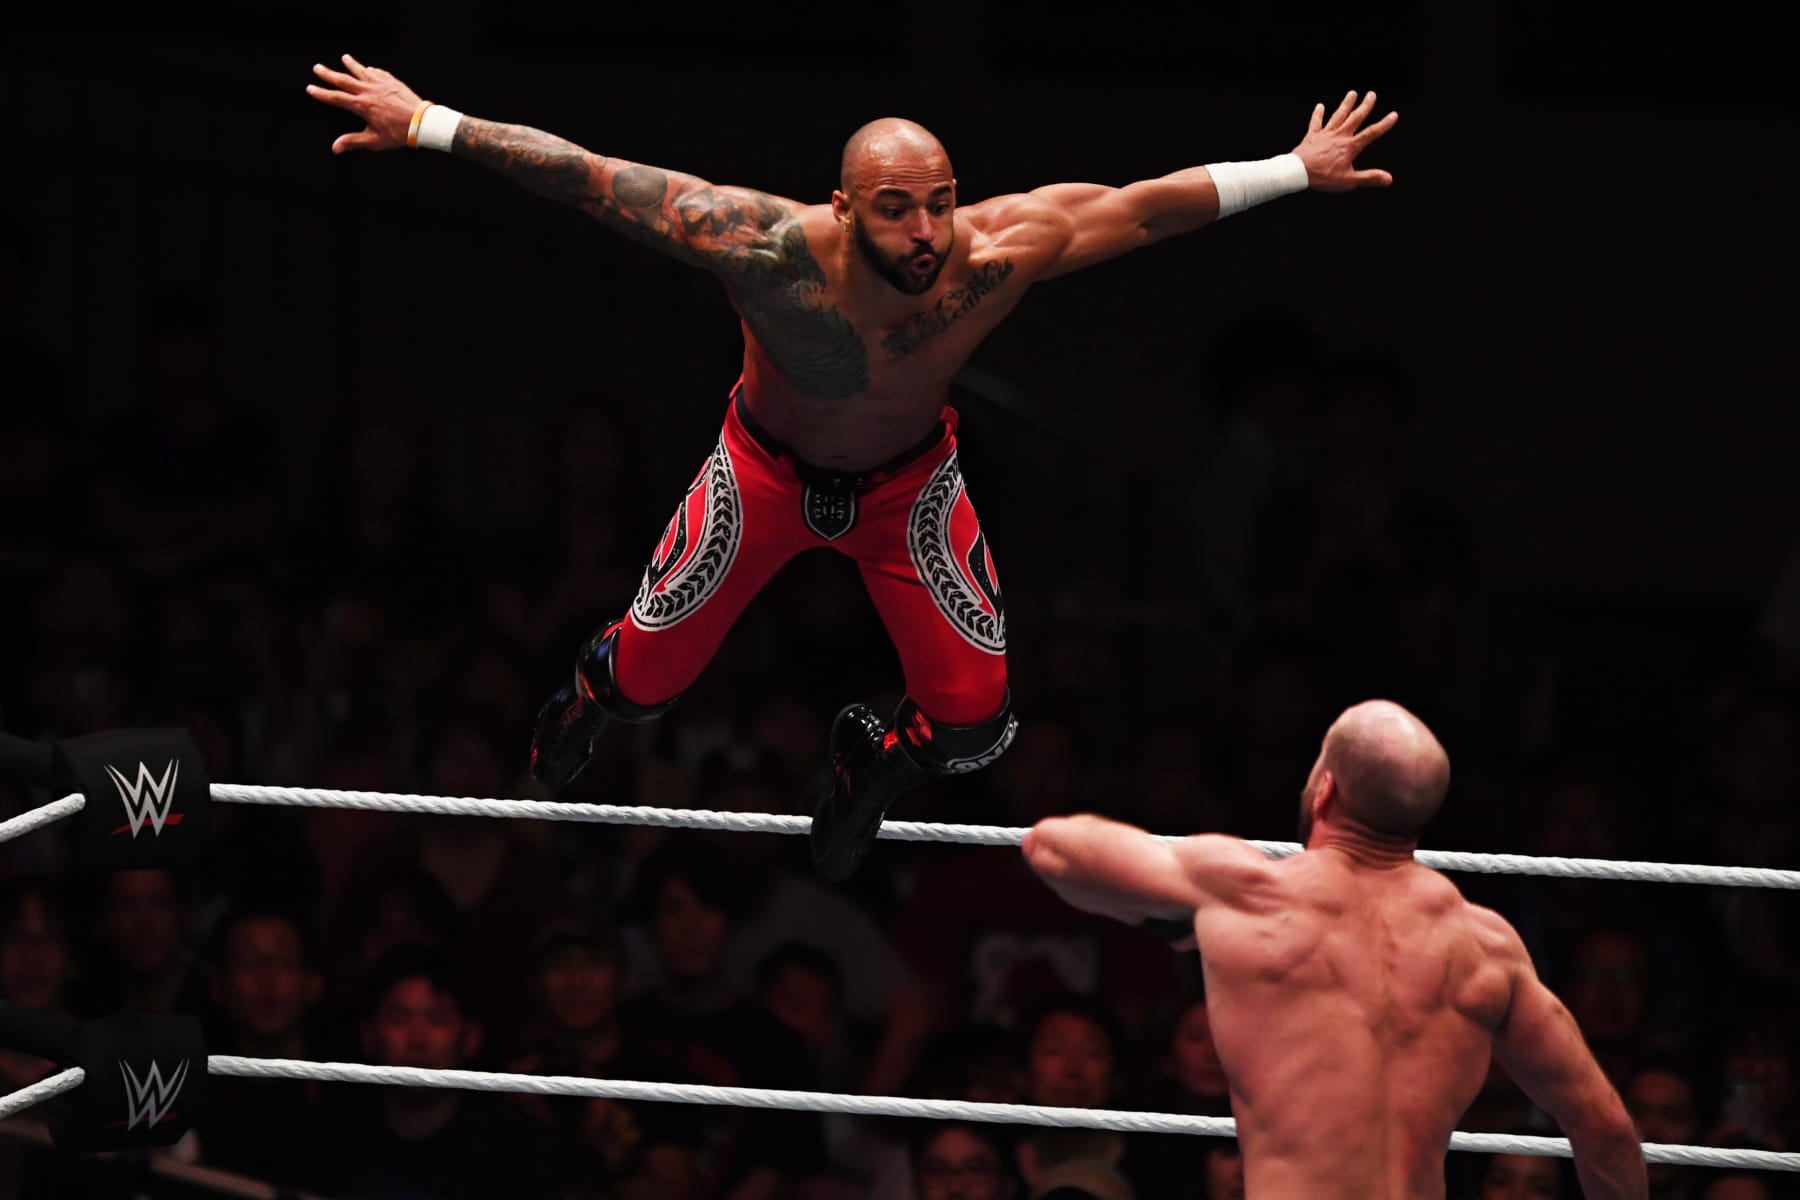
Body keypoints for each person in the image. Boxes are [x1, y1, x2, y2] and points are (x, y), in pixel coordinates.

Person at [305, 54, 1398, 882]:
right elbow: (593, 179)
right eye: (894, 208)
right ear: (840, 208)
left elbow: (1150, 203)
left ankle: (870, 761)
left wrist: (1296, 169)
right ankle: (588, 693)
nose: (926, 231)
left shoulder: (999, 250)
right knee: (645, 688)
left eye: (938, 201)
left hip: (907, 488)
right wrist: (432, 123)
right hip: (765, 472)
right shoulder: (760, 249)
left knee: (975, 726)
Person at [1020, 699, 1648, 1199]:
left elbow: (1052, 848)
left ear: (1324, 788)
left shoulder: (1249, 892)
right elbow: (1609, 1134)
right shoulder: (1486, 946)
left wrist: (1183, 906)